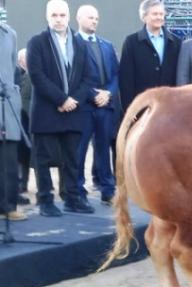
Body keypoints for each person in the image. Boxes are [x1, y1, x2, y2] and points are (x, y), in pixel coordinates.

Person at [27, 0, 99, 216]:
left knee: (72, 159)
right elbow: (37, 76)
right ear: (47, 17)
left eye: (62, 15)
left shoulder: (80, 45)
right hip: (47, 111)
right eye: (54, 15)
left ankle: (72, 198)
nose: (58, 19)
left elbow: (88, 77)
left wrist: (73, 99)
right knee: (43, 159)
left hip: (73, 111)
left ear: (69, 17)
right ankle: (46, 201)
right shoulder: (37, 42)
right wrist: (61, 100)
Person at [74, 4, 120, 206]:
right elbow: (73, 77)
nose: (94, 21)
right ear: (79, 19)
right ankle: (77, 190)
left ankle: (107, 189)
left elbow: (116, 74)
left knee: (103, 149)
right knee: (80, 150)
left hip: (105, 105)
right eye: (90, 17)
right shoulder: (71, 44)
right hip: (83, 106)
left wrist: (108, 92)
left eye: (96, 18)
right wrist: (93, 94)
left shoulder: (107, 45)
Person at [119, 0, 181, 112]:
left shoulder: (176, 42)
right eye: (155, 14)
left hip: (170, 107)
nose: (159, 17)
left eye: (161, 14)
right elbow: (126, 79)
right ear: (144, 17)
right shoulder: (131, 42)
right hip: (142, 107)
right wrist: (130, 109)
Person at [0, 22, 26, 221]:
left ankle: (8, 207)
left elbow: (13, 71)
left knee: (8, 157)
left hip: (6, 104)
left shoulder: (9, 33)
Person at [15, 48, 31, 206]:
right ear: (20, 60)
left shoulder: (33, 75)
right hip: (19, 120)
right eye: (26, 58)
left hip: (28, 121)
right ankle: (21, 183)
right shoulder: (17, 74)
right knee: (20, 154)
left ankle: (24, 183)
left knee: (27, 154)